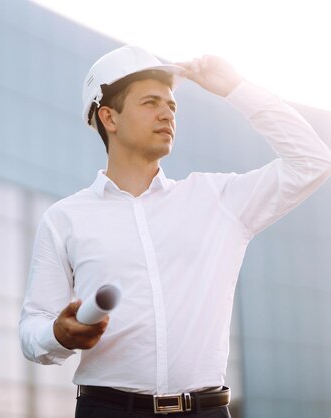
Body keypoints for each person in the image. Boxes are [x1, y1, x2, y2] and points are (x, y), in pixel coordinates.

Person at [19, 45, 331, 417]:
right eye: (150, 103)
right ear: (109, 117)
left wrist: (236, 88)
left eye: (172, 106)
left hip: (206, 409)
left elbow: (312, 161)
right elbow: (32, 327)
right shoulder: (64, 218)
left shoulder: (217, 200)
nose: (167, 113)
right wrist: (58, 334)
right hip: (107, 409)